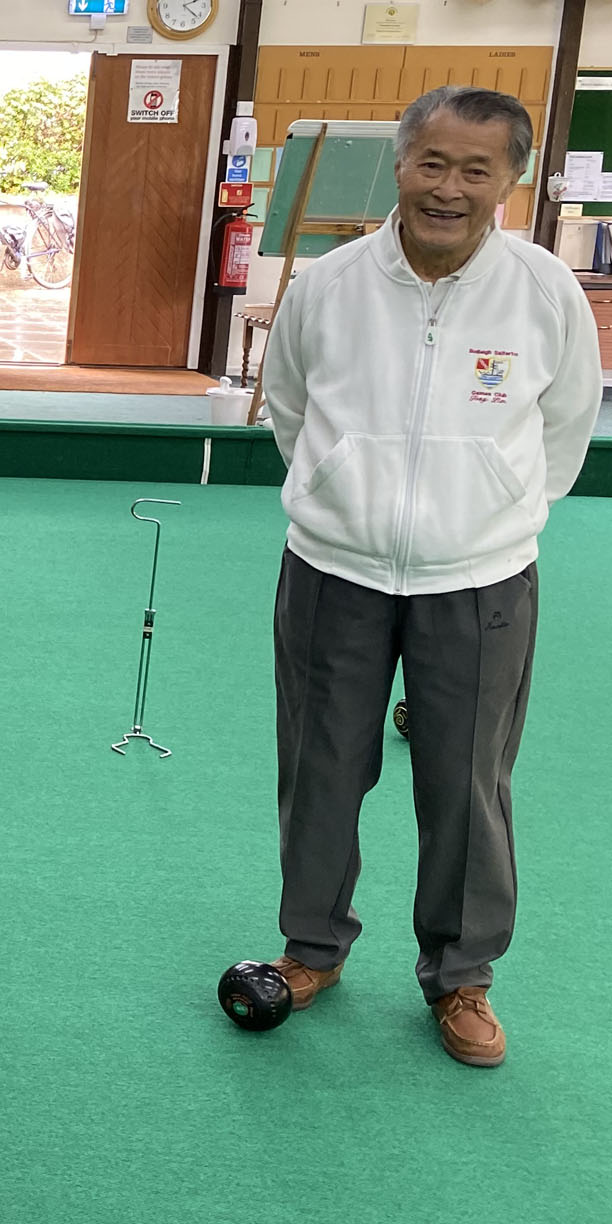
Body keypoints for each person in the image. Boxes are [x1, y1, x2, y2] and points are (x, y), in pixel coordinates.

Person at [249, 86, 599, 1068]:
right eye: (431, 163)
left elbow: (566, 427)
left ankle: (460, 978)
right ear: (399, 165)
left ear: (509, 182)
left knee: (466, 783)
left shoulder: (541, 291)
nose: (448, 188)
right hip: (332, 568)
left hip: (480, 579)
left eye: (474, 170)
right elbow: (287, 409)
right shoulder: (325, 283)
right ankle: (310, 947)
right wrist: (340, 492)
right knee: (320, 769)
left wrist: (491, 512)